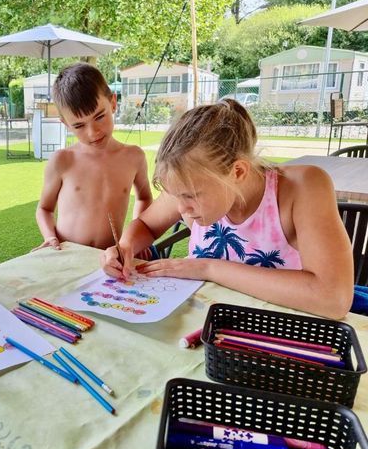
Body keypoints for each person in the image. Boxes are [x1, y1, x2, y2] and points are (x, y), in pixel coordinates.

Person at [102, 100, 353, 319]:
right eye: (176, 195)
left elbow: (333, 298)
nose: (181, 209)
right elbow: (146, 225)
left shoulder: (302, 187)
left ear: (238, 172)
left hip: (272, 335)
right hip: (201, 326)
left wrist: (208, 268)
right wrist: (126, 246)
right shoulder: (188, 183)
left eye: (191, 196)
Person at [34, 63, 152, 251]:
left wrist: (138, 237)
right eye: (79, 125)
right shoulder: (62, 160)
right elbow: (44, 209)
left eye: (99, 117)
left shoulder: (134, 157)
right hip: (67, 254)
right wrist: (50, 236)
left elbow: (144, 198)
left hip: (111, 257)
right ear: (65, 123)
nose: (93, 132)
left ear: (113, 103)